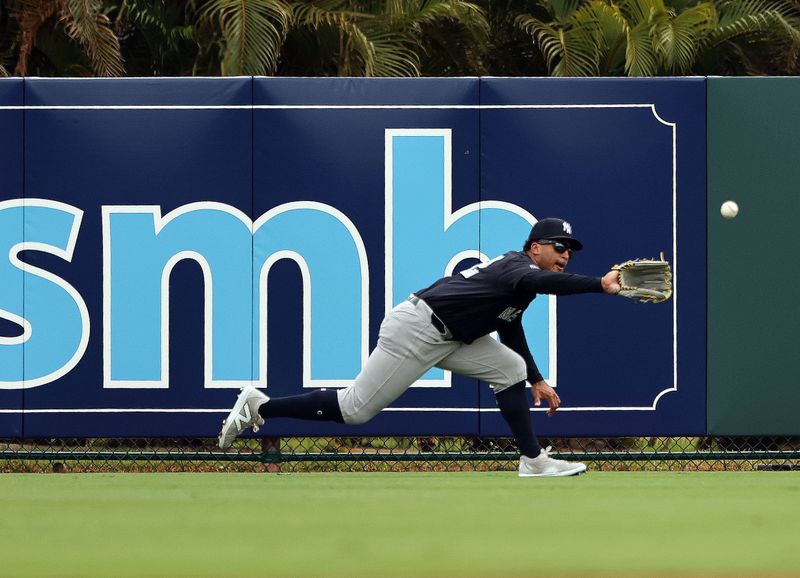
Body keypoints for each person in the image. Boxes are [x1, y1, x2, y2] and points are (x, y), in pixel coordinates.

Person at [218, 218, 622, 477]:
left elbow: (510, 327)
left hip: (450, 335)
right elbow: (538, 284)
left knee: (511, 368)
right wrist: (599, 284)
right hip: (417, 329)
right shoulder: (519, 268)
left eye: (571, 250)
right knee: (356, 410)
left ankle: (533, 462)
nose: (566, 254)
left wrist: (536, 379)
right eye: (559, 246)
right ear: (535, 246)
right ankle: (259, 406)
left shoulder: (521, 278)